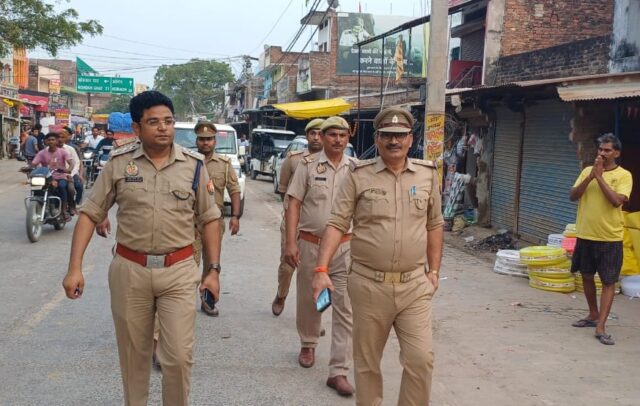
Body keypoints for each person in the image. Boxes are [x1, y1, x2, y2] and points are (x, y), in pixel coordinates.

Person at [62, 91, 223, 406]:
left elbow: (210, 218)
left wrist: (213, 271)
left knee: (178, 357)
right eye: (153, 122)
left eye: (168, 121)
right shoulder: (119, 163)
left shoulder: (193, 166)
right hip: (130, 271)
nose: (163, 128)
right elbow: (90, 214)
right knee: (134, 358)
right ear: (137, 128)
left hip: (179, 271)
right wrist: (74, 268)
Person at [312, 107, 444, 405]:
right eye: (387, 135)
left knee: (420, 360)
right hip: (369, 285)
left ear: (411, 139)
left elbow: (435, 225)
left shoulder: (427, 175)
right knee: (367, 362)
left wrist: (434, 272)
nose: (394, 141)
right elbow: (337, 223)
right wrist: (321, 269)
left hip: (414, 286)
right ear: (377, 139)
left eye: (400, 135)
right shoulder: (358, 175)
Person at [285, 116, 356, 397]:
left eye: (342, 135)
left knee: (345, 306)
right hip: (310, 244)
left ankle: (339, 370)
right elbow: (294, 204)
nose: (338, 140)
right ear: (323, 137)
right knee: (309, 299)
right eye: (332, 135)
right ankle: (308, 343)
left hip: (345, 247)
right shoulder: (307, 166)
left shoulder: (357, 168)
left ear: (348, 137)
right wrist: (290, 243)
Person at [569, 133, 633, 346]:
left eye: (607, 150)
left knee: (608, 281)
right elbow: (573, 195)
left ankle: (601, 326)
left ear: (617, 153)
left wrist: (599, 178)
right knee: (586, 275)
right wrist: (590, 176)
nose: (602, 153)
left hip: (609, 237)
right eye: (600, 149)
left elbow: (616, 201)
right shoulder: (587, 171)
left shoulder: (624, 176)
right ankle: (593, 314)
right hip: (585, 234)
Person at [271, 118, 324, 316]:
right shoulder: (294, 160)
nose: (316, 138)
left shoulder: (331, 162)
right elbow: (283, 190)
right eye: (312, 133)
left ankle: (314, 314)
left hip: (317, 224)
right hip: (294, 222)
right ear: (307, 136)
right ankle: (281, 294)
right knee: (287, 265)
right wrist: (292, 214)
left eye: (320, 133)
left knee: (317, 269)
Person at [32, 132, 74, 222]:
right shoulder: (42, 153)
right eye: (49, 140)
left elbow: (71, 163)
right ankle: (42, 206)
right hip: (46, 177)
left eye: (53, 140)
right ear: (46, 141)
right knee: (37, 188)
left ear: (56, 141)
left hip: (60, 176)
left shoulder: (63, 152)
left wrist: (69, 169)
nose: (51, 141)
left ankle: (63, 210)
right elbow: (34, 163)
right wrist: (28, 168)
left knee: (62, 186)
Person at [58, 127, 84, 214]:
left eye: (62, 137)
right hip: (55, 174)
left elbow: (77, 163)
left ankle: (73, 205)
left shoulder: (71, 149)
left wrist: (73, 174)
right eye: (58, 137)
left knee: (77, 187)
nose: (60, 139)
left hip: (70, 174)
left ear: (66, 138)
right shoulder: (49, 149)